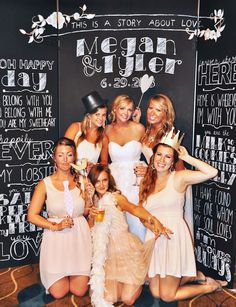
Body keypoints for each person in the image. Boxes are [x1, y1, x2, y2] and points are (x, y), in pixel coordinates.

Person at [139, 130, 227, 302]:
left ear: (173, 161)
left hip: (173, 238)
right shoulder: (146, 181)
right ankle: (194, 275)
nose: (162, 160)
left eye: (167, 157)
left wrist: (187, 158)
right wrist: (151, 226)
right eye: (159, 155)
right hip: (155, 238)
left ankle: (210, 286)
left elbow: (211, 172)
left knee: (167, 295)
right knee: (155, 291)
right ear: (153, 156)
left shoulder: (179, 178)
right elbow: (142, 213)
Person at [86, 164, 172, 306]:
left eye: (104, 180)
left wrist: (153, 219)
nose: (101, 185)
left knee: (128, 299)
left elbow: (134, 209)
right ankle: (126, 281)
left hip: (127, 252)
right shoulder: (94, 201)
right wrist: (90, 216)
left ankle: (141, 276)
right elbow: (92, 231)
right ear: (92, 183)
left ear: (109, 180)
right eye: (97, 181)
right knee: (109, 298)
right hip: (109, 256)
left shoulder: (116, 198)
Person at [27, 137, 92, 299]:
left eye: (69, 155)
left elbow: (85, 212)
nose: (65, 159)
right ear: (54, 157)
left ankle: (75, 269)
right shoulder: (45, 184)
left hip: (79, 238)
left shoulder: (82, 180)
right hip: (56, 239)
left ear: (74, 157)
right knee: (59, 292)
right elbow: (32, 216)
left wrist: (90, 197)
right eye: (60, 155)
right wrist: (55, 226)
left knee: (79, 290)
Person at [105, 94, 146, 241]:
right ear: (114, 109)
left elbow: (152, 154)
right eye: (122, 108)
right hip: (114, 180)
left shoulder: (139, 128)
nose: (126, 113)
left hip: (134, 181)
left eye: (130, 109)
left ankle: (140, 258)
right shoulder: (107, 130)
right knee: (116, 223)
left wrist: (147, 169)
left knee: (136, 221)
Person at [64, 91, 109, 168]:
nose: (101, 118)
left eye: (104, 115)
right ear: (89, 116)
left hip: (90, 177)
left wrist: (94, 166)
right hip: (71, 174)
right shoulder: (75, 128)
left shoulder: (103, 138)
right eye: (97, 114)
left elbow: (104, 163)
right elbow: (63, 152)